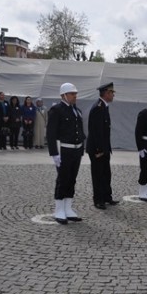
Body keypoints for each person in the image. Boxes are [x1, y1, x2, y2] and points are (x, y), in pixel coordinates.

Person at [47, 82, 86, 224]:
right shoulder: (56, 110)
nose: (75, 96)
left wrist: (82, 148)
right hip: (64, 149)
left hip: (76, 150)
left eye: (75, 94)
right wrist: (54, 154)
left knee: (72, 179)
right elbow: (51, 134)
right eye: (72, 94)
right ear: (64, 95)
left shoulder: (77, 110)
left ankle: (68, 208)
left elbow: (80, 131)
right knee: (63, 179)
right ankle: (59, 209)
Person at [86, 82, 119, 209]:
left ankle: (107, 197)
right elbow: (96, 131)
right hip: (97, 149)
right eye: (112, 93)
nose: (113, 95)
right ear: (106, 93)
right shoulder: (98, 108)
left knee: (106, 174)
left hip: (104, 148)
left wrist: (106, 148)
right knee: (98, 175)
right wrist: (99, 149)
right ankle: (98, 200)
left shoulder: (104, 107)